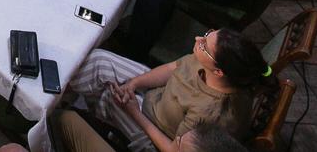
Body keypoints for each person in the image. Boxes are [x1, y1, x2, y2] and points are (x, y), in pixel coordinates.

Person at [70, 28, 270, 150]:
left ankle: (82, 115)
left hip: (157, 134)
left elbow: (174, 149)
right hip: (160, 95)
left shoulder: (211, 115)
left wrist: (133, 111)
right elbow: (173, 68)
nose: (197, 39)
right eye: (207, 34)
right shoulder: (212, 63)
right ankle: (72, 95)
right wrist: (134, 83)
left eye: (204, 45)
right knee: (99, 60)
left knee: (108, 96)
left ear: (218, 72)